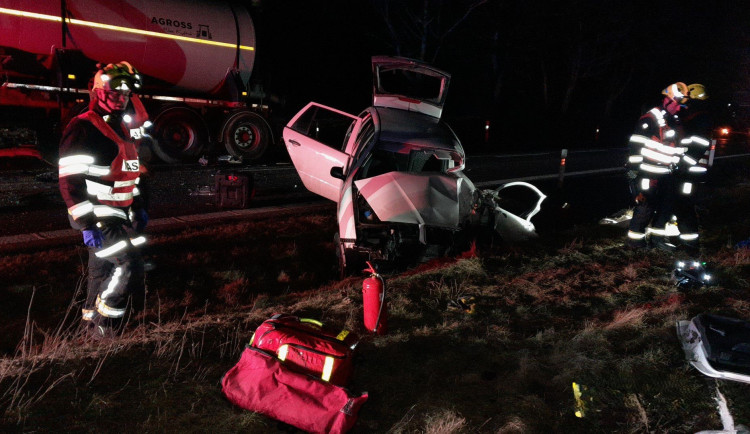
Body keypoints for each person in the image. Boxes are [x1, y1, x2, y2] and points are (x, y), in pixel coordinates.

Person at [58, 61, 150, 339]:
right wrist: (86, 223)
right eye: (115, 93)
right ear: (99, 92)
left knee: (100, 271)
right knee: (128, 265)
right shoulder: (83, 127)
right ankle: (105, 325)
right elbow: (69, 179)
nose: (121, 99)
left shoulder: (121, 127)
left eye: (126, 95)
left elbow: (129, 174)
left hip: (119, 214)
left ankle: (88, 326)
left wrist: (138, 207)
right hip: (98, 218)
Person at [625, 82, 688, 249]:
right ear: (666, 100)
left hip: (667, 173)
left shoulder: (674, 119)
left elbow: (675, 146)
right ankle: (635, 243)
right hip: (648, 172)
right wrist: (634, 173)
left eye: (682, 103)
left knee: (665, 208)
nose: (679, 108)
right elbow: (636, 146)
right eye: (677, 103)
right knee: (646, 207)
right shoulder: (650, 119)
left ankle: (657, 241)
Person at [670, 83, 713, 254]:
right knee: (682, 206)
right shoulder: (698, 116)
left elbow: (699, 145)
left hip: (691, 172)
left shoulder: (701, 118)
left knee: (685, 207)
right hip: (689, 171)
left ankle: (690, 247)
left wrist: (683, 165)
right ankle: (686, 242)